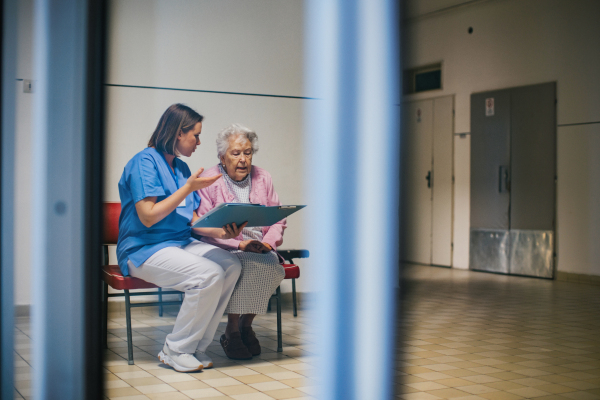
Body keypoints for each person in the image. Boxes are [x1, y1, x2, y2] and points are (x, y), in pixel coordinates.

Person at [116, 104, 247, 372]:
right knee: (208, 275)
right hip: (144, 249)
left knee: (232, 265)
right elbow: (148, 216)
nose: (199, 142)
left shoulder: (182, 168)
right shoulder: (144, 163)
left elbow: (192, 220)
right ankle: (175, 349)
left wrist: (221, 232)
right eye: (195, 135)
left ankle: (196, 345)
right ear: (178, 133)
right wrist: (187, 188)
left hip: (180, 243)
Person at [194, 123, 286, 360]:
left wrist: (269, 243)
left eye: (248, 153)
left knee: (272, 266)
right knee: (243, 265)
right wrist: (238, 243)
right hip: (225, 246)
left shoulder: (263, 176)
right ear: (222, 157)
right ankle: (231, 330)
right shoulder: (208, 179)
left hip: (260, 245)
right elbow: (202, 227)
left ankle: (246, 324)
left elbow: (277, 219)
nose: (243, 159)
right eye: (236, 153)